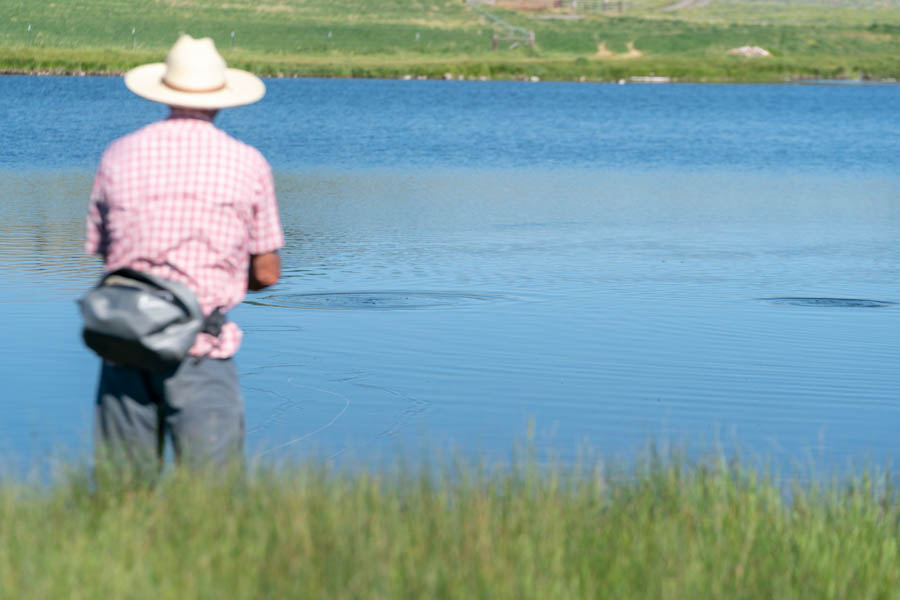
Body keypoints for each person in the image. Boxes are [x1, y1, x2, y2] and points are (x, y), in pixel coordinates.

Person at [84, 35, 284, 475]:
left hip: (124, 342)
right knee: (210, 493)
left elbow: (105, 255)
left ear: (164, 92)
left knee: (122, 488)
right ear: (222, 97)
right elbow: (267, 273)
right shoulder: (247, 162)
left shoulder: (119, 154)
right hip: (200, 349)